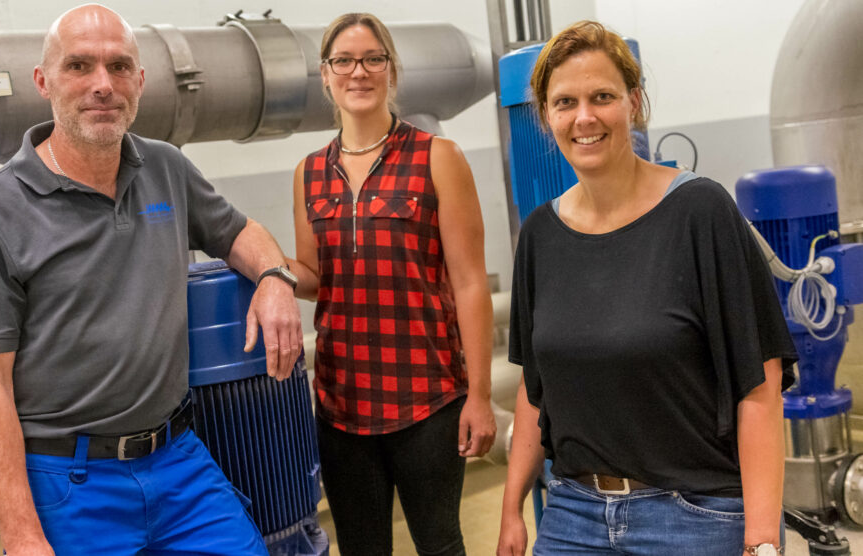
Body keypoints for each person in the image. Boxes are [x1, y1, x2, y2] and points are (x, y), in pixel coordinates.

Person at [0, 4, 302, 555]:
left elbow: (239, 231)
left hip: (178, 459)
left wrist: (276, 278)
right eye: (79, 67)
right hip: (67, 479)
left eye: (118, 67)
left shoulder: (166, 168)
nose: (102, 85)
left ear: (140, 81)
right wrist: (20, 534)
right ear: (44, 82)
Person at [496, 20, 797, 556]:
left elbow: (759, 384)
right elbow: (533, 388)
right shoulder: (541, 234)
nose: (584, 117)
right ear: (547, 116)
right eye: (565, 102)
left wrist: (762, 539)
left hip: (693, 517)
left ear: (634, 102)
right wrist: (512, 511)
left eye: (602, 96)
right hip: (572, 516)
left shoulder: (701, 212)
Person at [287, 12, 496, 556]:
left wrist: (479, 396)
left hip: (426, 399)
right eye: (344, 61)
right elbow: (313, 278)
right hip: (342, 406)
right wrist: (261, 264)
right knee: (360, 547)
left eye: (373, 59)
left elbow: (470, 282)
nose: (359, 71)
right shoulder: (309, 172)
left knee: (440, 543)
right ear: (326, 74)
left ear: (391, 71)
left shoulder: (436, 157)